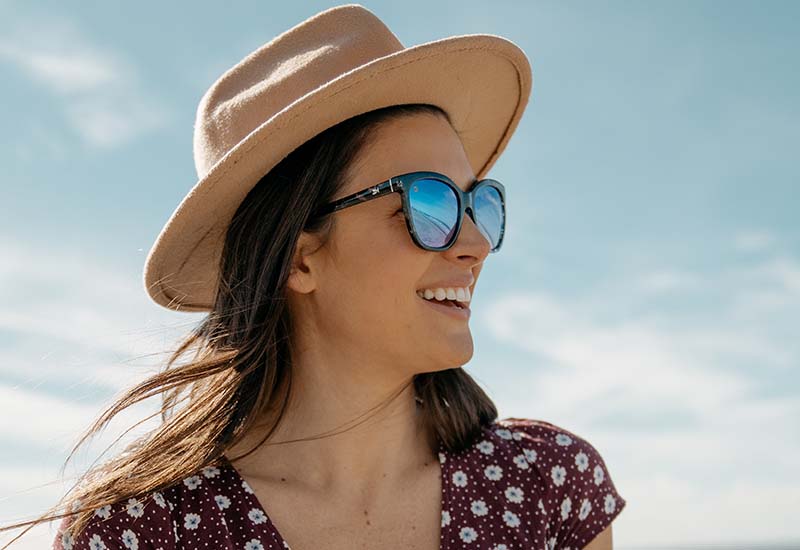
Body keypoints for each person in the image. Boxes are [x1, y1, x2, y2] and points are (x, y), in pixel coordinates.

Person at [2, 4, 626, 550]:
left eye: (476, 203)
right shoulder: (138, 533)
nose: (474, 245)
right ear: (299, 258)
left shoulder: (548, 488)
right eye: (428, 204)